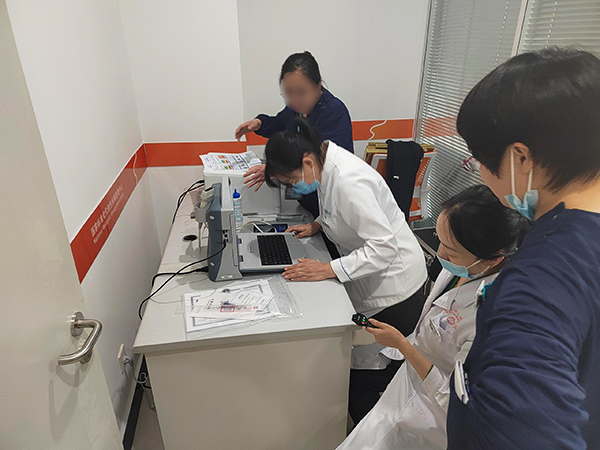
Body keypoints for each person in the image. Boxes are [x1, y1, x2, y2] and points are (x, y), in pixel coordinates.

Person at [446, 48, 600, 449]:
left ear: (520, 158)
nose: (480, 173)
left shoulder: (544, 275)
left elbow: (524, 430)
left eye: (479, 159)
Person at [337, 185, 530, 449]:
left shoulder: (495, 319)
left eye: (451, 250)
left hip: (432, 416)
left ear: (493, 258)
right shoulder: (463, 267)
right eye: (441, 240)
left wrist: (402, 345)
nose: (441, 254)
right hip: (408, 384)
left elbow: (458, 400)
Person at [264, 117, 428, 368]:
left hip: (397, 287)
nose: (293, 186)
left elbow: (383, 248)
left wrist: (327, 269)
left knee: (373, 365)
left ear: (307, 163)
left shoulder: (349, 183)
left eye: (291, 180)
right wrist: (318, 223)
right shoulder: (324, 160)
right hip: (375, 277)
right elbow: (338, 209)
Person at [235, 51, 353, 221]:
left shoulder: (334, 112)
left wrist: (275, 170)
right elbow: (281, 124)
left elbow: (323, 161)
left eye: (301, 92)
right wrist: (259, 123)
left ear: (318, 85)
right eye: (288, 92)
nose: (294, 100)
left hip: (330, 203)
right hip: (308, 204)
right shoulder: (295, 109)